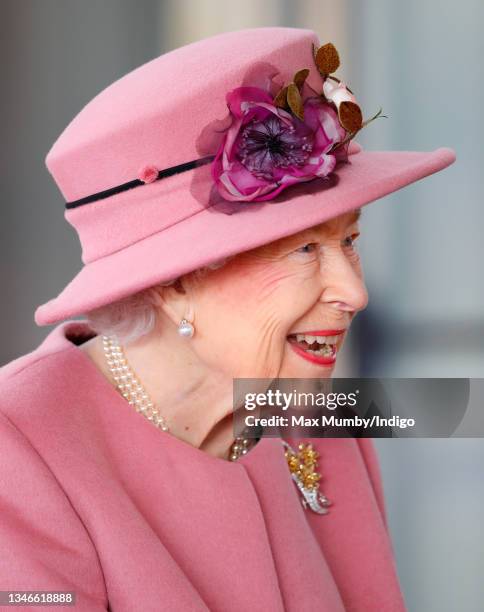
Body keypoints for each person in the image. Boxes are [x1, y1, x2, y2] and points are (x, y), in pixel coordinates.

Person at [0, 27, 455, 611]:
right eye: (303, 251)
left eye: (350, 240)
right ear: (175, 281)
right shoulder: (19, 451)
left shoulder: (319, 412)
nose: (354, 292)